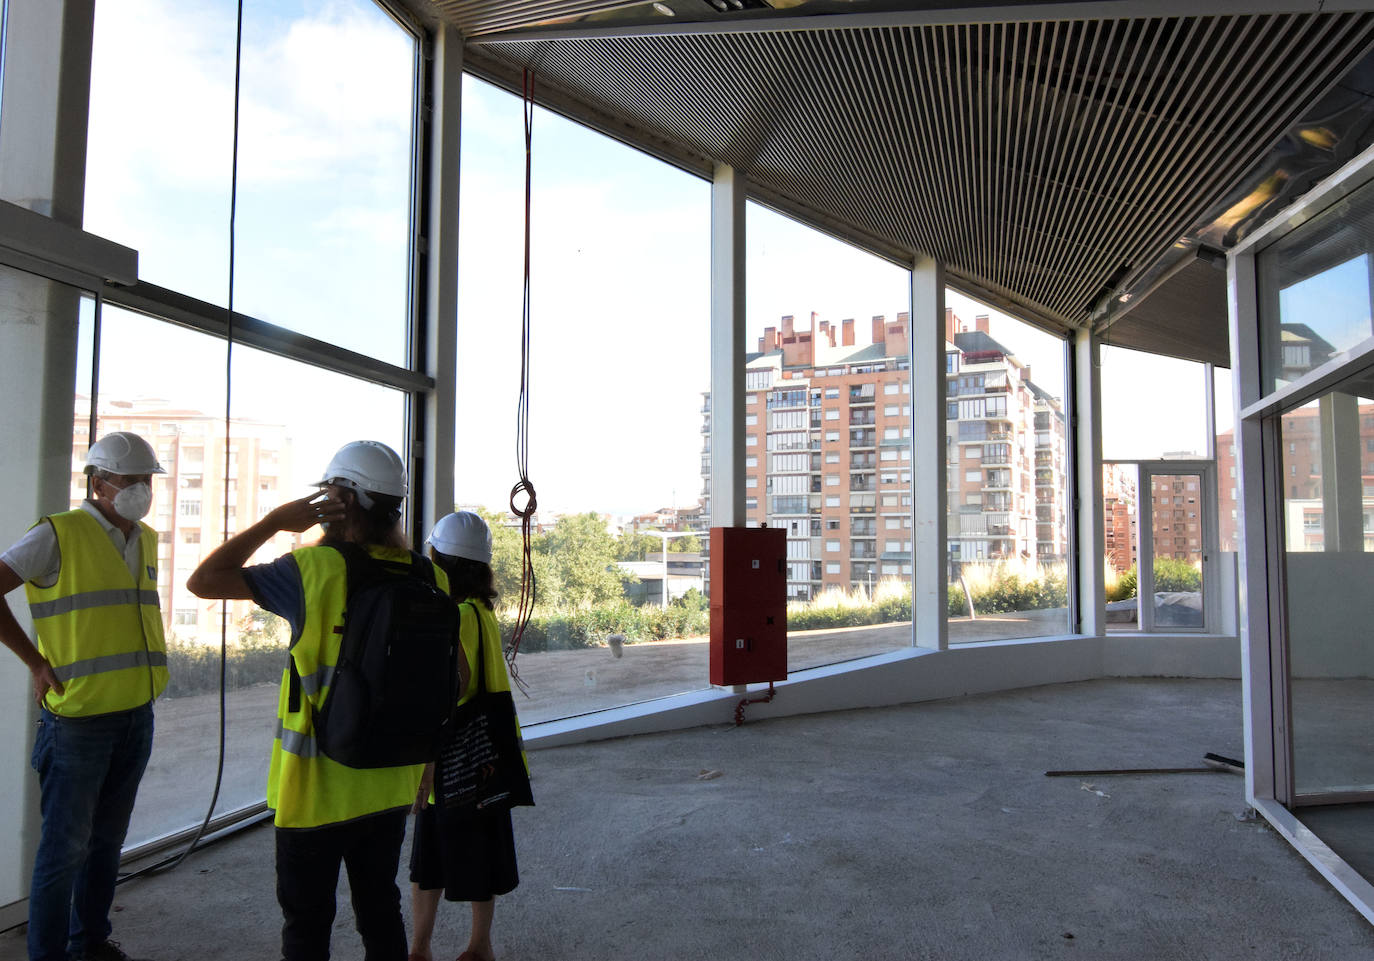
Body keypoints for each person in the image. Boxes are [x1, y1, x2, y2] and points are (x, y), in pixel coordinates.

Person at [186, 440, 437, 961]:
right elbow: (442, 681)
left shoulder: (313, 569)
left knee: (307, 923)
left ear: (338, 499)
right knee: (380, 909)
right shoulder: (427, 574)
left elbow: (202, 581)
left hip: (316, 786)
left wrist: (276, 521)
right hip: (391, 778)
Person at [0, 431, 169, 961]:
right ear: (98, 483)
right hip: (78, 721)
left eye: (147, 480)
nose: (142, 489)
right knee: (63, 851)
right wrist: (35, 662)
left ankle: (90, 941)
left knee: (106, 844)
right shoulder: (58, 534)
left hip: (135, 714)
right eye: (131, 480)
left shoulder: (146, 538)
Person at [408, 511, 525, 961]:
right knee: (482, 854)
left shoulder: (453, 615)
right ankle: (480, 944)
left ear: (441, 560)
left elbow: (454, 686)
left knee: (429, 859)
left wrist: (426, 762)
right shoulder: (481, 612)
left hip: (454, 759)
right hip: (487, 755)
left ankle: (420, 946)